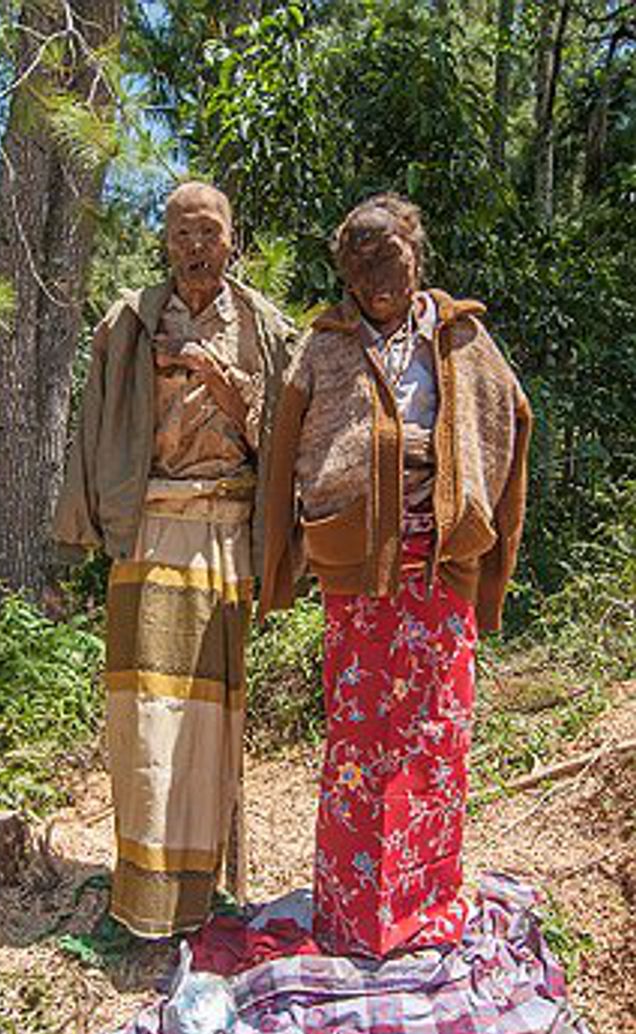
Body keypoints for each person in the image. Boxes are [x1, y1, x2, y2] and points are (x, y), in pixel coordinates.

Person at [259, 193, 530, 958]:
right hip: (358, 571)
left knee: (437, 739)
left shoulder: (462, 338)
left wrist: (489, 550)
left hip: (442, 565)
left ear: (418, 256)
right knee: (358, 742)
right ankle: (351, 914)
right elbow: (284, 458)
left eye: (390, 259)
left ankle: (427, 907)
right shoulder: (323, 347)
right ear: (343, 269)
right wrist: (278, 568)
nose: (376, 277)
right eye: (360, 262)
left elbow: (511, 423)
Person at [52, 181, 298, 938]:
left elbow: (287, 442)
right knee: (142, 723)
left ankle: (208, 892)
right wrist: (79, 532)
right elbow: (94, 426)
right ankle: (144, 900)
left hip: (225, 538)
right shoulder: (129, 321)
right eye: (182, 232)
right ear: (166, 241)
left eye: (210, 232)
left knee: (211, 728)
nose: (196, 245)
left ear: (232, 241)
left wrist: (230, 389)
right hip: (149, 534)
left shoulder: (264, 328)